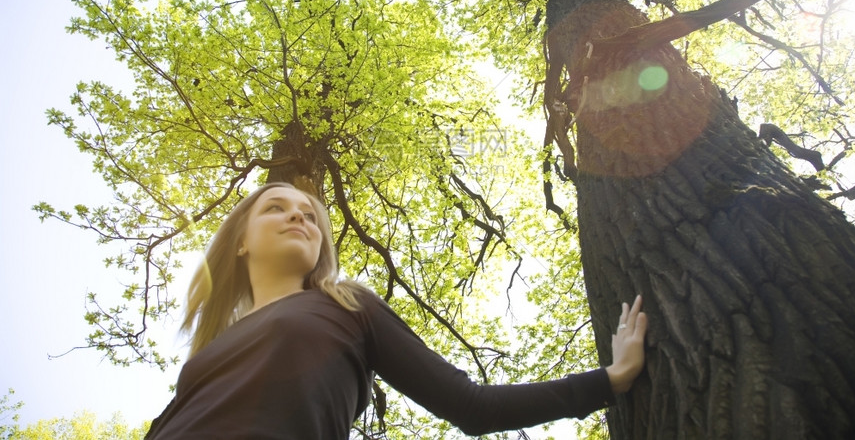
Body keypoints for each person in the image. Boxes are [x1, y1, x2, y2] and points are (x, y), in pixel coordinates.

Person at [145, 182, 647, 439]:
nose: (299, 214)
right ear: (239, 243)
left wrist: (609, 380)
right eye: (275, 207)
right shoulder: (205, 355)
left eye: (311, 215)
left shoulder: (345, 304)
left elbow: (472, 407)